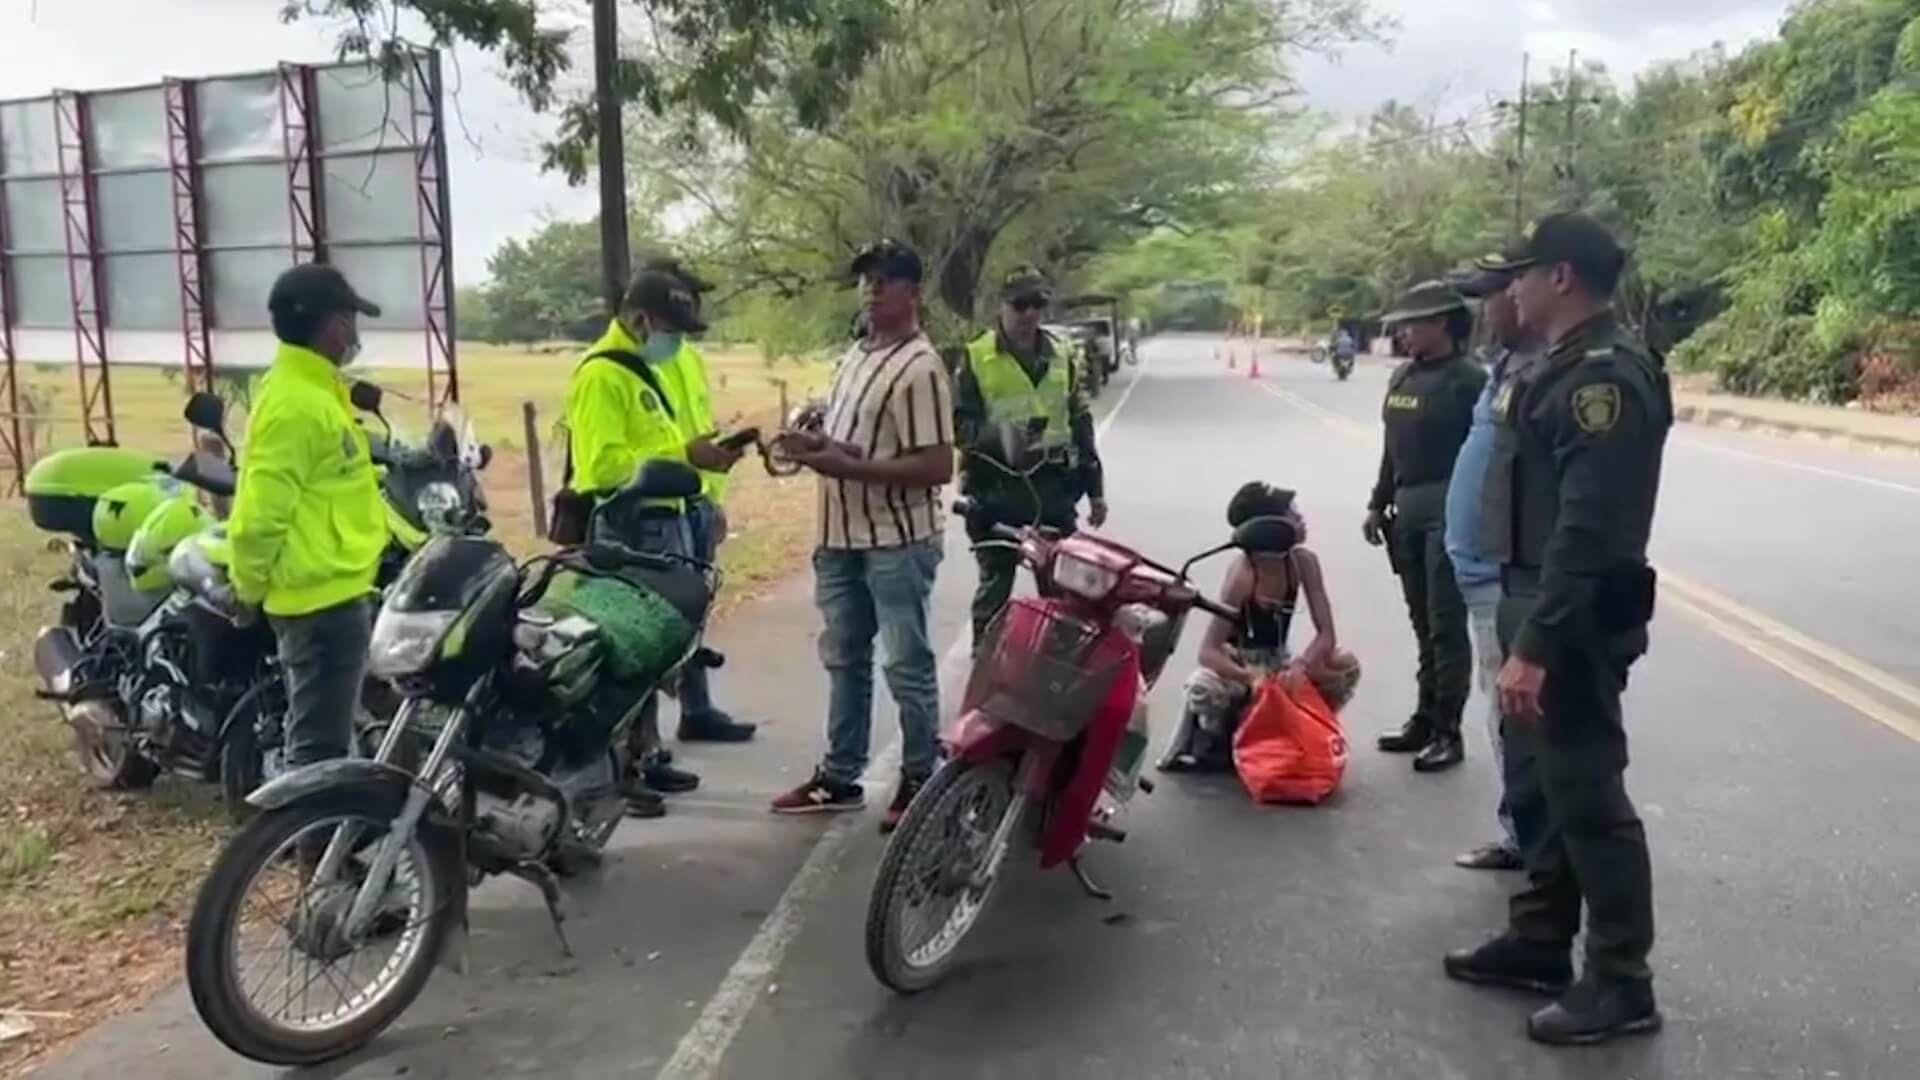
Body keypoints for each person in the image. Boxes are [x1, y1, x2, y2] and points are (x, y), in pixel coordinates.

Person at [1443, 212, 1671, 1046]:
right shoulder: (1560, 366)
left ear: (1562, 277)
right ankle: (1541, 938)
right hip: (1532, 598)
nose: (1513, 288)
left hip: (1565, 614)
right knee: (1539, 789)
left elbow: (1589, 529)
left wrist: (1534, 648)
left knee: (1586, 793)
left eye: (1524, 273)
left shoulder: (1603, 378)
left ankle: (1622, 980)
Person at [770, 240, 955, 833]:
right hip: (839, 535)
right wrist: (816, 442)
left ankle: (921, 774)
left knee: (906, 661)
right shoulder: (857, 353)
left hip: (896, 539)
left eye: (886, 281)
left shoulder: (921, 367)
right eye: (867, 281)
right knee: (845, 658)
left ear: (913, 293)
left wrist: (845, 466)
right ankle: (840, 775)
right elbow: (860, 444)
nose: (872, 290)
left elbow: (935, 466)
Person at [563, 262, 748, 817]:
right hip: (631, 527)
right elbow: (600, 469)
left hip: (664, 521)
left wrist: (698, 465)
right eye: (670, 329)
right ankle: (621, 769)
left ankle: (645, 755)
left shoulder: (641, 369)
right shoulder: (603, 374)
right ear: (641, 319)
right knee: (630, 653)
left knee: (655, 652)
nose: (676, 343)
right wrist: (679, 457)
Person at [228, 263, 388, 778]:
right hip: (318, 601)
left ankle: (332, 845)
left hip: (334, 589)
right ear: (334, 325)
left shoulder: (315, 391)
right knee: (318, 750)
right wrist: (247, 589)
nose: (355, 334)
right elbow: (259, 517)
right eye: (351, 320)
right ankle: (317, 854)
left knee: (332, 734)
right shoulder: (297, 404)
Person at [636, 253, 760, 748]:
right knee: (655, 621)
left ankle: (697, 707)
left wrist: (713, 493)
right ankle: (642, 743)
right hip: (658, 501)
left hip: (695, 497)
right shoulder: (640, 359)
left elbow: (692, 430)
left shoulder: (684, 354)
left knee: (693, 611)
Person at [1446, 258, 1544, 871]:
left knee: (1511, 714)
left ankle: (1525, 837)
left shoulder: (1545, 374)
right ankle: (1525, 830)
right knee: (1502, 711)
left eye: (1496, 296)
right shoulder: (1505, 368)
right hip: (1478, 568)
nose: (1488, 309)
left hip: (1502, 576)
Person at [1364, 281, 1487, 772]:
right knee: (1421, 622)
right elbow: (1391, 450)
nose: (1403, 334)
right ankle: (1423, 716)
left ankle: (1447, 730)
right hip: (1408, 507)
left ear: (1442, 324)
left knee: (1444, 624)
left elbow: (1487, 455)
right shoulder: (1401, 379)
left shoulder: (1469, 381)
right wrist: (1379, 502)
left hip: (1450, 510)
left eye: (1412, 325)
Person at [955, 266, 1108, 645]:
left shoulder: (1063, 355)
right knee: (994, 593)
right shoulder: (975, 357)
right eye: (1020, 304)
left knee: (1066, 597)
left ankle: (1060, 675)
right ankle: (984, 667)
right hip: (995, 493)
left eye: (1037, 304)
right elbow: (961, 427)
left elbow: (1081, 424)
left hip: (1053, 492)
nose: (1029, 314)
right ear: (1002, 306)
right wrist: (1004, 438)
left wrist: (1096, 490)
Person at [1158, 482, 1354, 772]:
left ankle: (1305, 726)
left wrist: (1301, 665)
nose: (1301, 520)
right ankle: (1219, 739)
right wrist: (1250, 677)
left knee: (1343, 665)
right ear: (1269, 528)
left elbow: (1326, 635)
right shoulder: (1245, 573)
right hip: (1242, 665)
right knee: (1204, 687)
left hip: (1281, 661)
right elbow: (1209, 651)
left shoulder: (1302, 562)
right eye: (1292, 515)